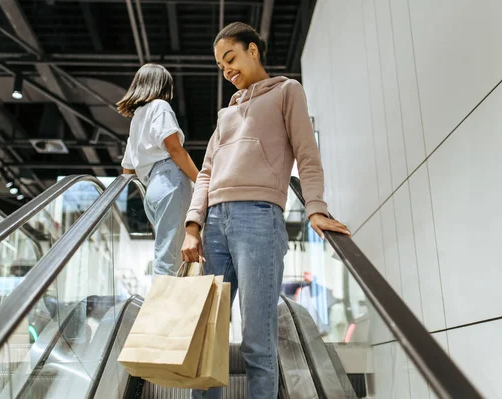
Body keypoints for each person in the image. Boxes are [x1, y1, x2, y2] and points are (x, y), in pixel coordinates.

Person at [181, 22, 351, 399]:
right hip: (215, 227)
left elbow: (307, 155)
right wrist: (193, 224)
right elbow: (206, 172)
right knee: (208, 339)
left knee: (258, 339)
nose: (226, 70)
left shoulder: (287, 91)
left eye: (231, 58)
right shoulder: (227, 114)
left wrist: (316, 208)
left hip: (258, 219)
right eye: (220, 66)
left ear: (253, 50)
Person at [118, 63, 199, 276]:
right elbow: (174, 149)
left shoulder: (136, 119)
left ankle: (170, 307)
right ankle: (160, 309)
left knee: (170, 255)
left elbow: (127, 170)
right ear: (163, 86)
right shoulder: (159, 107)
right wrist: (202, 182)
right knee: (169, 261)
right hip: (170, 181)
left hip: (153, 189)